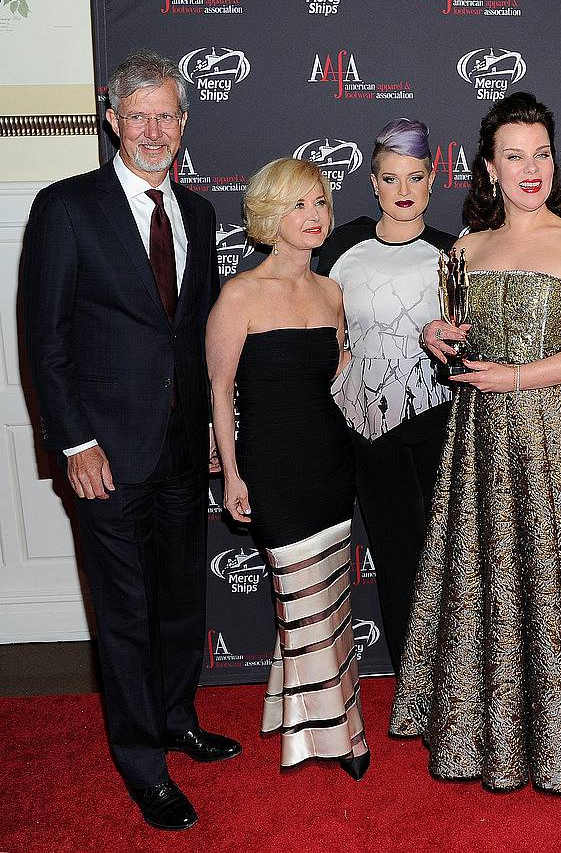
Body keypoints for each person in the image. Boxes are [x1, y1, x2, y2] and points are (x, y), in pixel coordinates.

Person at [390, 92, 561, 792]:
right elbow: (454, 340)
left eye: (541, 152)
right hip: (481, 444)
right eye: (514, 156)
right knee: (492, 586)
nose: (530, 167)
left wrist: (516, 376)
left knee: (559, 580)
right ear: (488, 168)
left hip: (555, 439)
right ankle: (491, 737)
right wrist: (433, 335)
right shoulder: (465, 248)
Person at [21, 50, 238, 831]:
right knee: (124, 611)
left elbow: (203, 336)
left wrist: (217, 432)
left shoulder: (202, 212)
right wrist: (73, 443)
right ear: (112, 120)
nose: (153, 129)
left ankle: (178, 719)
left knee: (182, 599)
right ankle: (142, 764)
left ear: (184, 124)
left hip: (182, 447)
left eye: (167, 115)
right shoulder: (66, 207)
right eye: (138, 115)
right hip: (104, 454)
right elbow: (43, 340)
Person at [206, 158, 369, 780]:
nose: (315, 217)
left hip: (330, 458)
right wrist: (232, 474)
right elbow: (220, 391)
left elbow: (332, 379)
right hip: (272, 467)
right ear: (269, 216)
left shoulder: (332, 293)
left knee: (327, 603)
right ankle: (341, 734)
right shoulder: (239, 294)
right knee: (300, 601)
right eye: (298, 205)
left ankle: (293, 711)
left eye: (321, 203)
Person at [315, 119, 454, 668]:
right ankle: (414, 688)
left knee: (442, 561)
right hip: (365, 430)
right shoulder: (343, 245)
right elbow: (321, 329)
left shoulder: (453, 252)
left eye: (415, 177)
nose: (403, 191)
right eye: (391, 177)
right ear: (372, 181)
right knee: (396, 560)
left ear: (431, 180)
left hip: (434, 422)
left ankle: (454, 685)